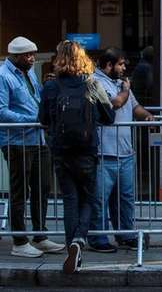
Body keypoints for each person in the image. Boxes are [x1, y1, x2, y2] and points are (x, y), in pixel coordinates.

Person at [39, 41, 115, 274]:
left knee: (70, 199)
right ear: (84, 59)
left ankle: (72, 244)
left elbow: (42, 118)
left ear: (59, 59)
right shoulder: (92, 83)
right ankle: (79, 240)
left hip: (61, 151)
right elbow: (109, 116)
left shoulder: (51, 86)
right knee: (88, 199)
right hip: (86, 151)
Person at [0, 37, 64, 257]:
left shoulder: (29, 73)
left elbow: (35, 100)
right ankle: (19, 242)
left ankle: (40, 235)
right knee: (20, 192)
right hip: (17, 142)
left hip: (38, 139)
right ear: (15, 56)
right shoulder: (3, 76)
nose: (32, 58)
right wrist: (32, 118)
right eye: (28, 55)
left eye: (33, 54)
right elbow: (1, 111)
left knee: (42, 188)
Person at [88, 48, 154, 253]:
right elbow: (115, 104)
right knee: (100, 199)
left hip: (125, 152)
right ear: (109, 65)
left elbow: (134, 107)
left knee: (125, 198)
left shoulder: (121, 83)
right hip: (104, 152)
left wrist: (149, 117)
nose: (125, 68)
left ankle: (126, 235)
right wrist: (125, 90)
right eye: (121, 64)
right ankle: (98, 238)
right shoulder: (94, 82)